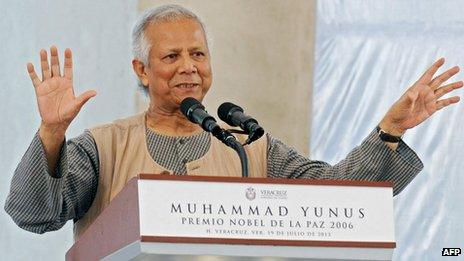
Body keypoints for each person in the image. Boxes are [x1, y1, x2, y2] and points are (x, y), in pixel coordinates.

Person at [4, 5, 462, 240]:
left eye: (198, 54)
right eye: (171, 56)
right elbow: (33, 213)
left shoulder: (249, 145)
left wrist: (390, 129)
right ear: (141, 71)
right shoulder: (101, 147)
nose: (188, 66)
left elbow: (338, 191)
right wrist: (52, 132)